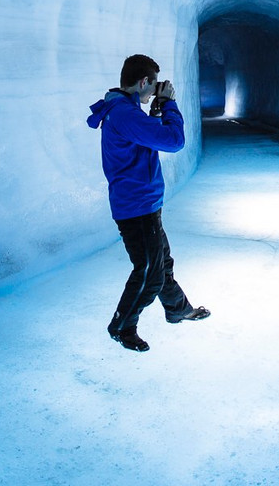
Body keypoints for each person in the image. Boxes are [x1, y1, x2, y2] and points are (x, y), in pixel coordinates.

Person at [86, 54, 210, 352]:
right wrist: (168, 105)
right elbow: (174, 140)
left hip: (142, 204)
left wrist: (154, 111)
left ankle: (177, 308)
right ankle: (122, 327)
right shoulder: (125, 114)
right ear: (144, 82)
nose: (154, 91)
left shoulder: (125, 111)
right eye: (153, 86)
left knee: (160, 263)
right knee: (148, 272)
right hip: (136, 208)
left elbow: (144, 140)